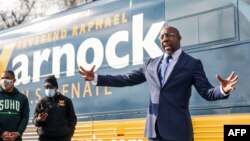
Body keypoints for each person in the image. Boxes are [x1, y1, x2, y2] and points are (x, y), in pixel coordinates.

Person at [79, 25, 238, 141]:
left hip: (178, 132)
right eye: (162, 37)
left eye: (169, 35)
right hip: (154, 132)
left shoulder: (192, 64)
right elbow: (126, 79)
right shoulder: (151, 64)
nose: (165, 39)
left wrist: (222, 90)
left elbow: (207, 92)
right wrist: (95, 78)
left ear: (179, 38)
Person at [33, 75, 77, 141]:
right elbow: (34, 121)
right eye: (46, 87)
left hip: (63, 138)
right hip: (45, 138)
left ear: (56, 87)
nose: (48, 89)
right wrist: (39, 120)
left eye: (50, 87)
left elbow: (73, 119)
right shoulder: (41, 102)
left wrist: (69, 135)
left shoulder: (66, 101)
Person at [0, 70, 30, 141]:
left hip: (16, 138)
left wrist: (19, 132)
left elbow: (25, 117)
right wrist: (1, 133)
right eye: (2, 78)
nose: (4, 80)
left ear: (14, 80)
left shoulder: (22, 98)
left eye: (7, 78)